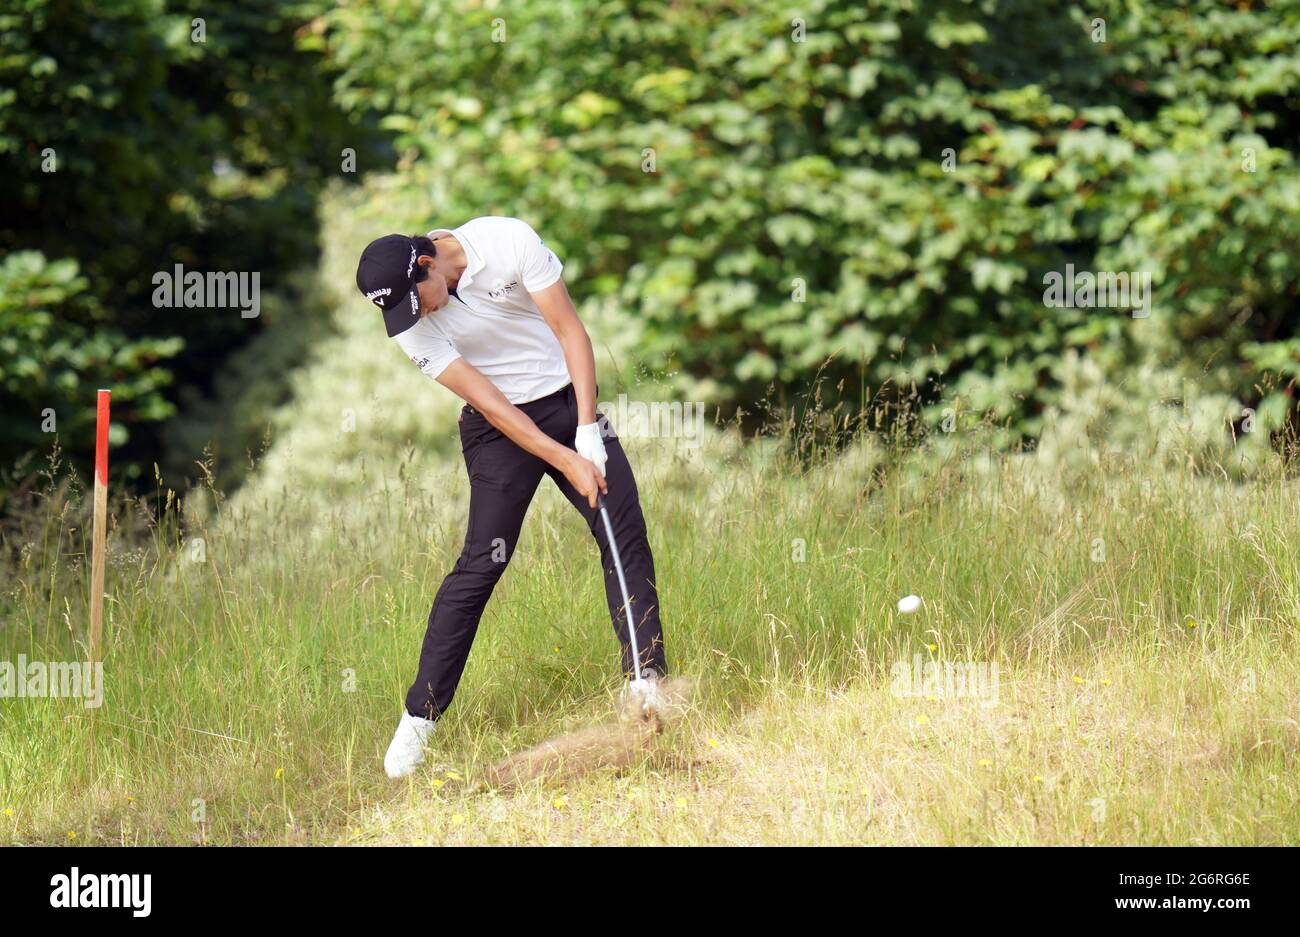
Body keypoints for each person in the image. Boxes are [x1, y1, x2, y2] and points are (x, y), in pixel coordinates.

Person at [355, 216, 668, 778]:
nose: (415, 314)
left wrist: (587, 432)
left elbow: (571, 331)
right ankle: (417, 722)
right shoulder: (409, 327)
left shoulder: (506, 242)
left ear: (427, 265)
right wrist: (565, 457)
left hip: (566, 399)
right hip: (498, 429)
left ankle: (647, 685)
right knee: (482, 563)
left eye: (414, 298)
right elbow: (495, 406)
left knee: (622, 531)